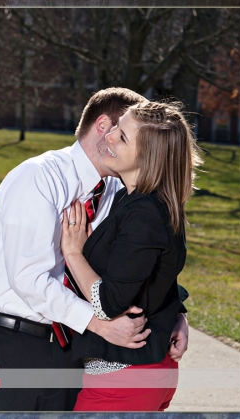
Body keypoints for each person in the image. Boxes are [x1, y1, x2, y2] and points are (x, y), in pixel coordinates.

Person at [0, 87, 189, 411]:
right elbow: (28, 277)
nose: (117, 138)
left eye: (127, 136)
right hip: (11, 346)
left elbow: (142, 263)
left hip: (75, 351)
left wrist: (175, 314)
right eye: (119, 130)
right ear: (103, 126)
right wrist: (99, 323)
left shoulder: (121, 191)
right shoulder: (40, 176)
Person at [61, 100, 201, 411]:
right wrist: (178, 312)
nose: (108, 135)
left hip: (124, 380)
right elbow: (156, 274)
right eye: (115, 127)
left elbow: (109, 303)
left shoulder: (144, 212)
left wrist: (72, 252)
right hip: (140, 374)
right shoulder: (139, 199)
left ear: (148, 157)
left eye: (122, 136)